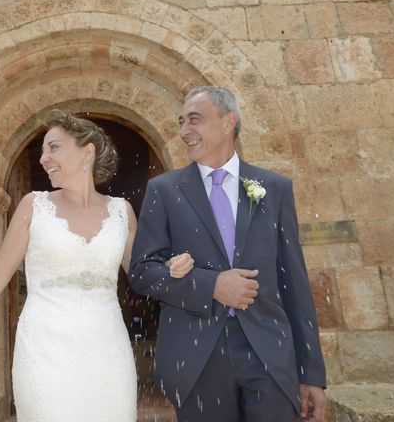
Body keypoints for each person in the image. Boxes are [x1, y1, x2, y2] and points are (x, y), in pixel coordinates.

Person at [129, 86, 326, 422]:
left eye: (195, 120)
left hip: (269, 354)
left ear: (227, 122)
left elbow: (293, 282)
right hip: (196, 358)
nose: (184, 132)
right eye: (181, 122)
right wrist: (211, 285)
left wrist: (312, 374)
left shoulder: (275, 188)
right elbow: (142, 272)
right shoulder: (163, 190)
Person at [0, 114, 138, 421]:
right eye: (44, 151)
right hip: (45, 352)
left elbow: (143, 275)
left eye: (54, 148)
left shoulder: (122, 212)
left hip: (108, 353)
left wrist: (177, 267)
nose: (44, 159)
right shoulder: (34, 206)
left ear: (87, 152)